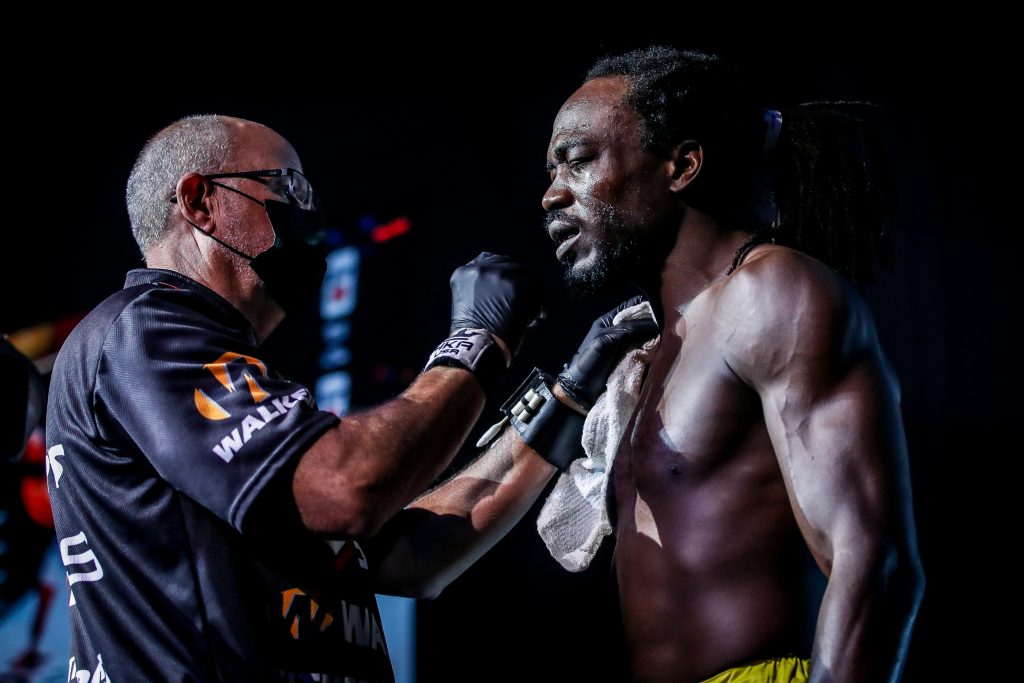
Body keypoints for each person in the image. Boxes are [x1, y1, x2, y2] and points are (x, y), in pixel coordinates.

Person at [44, 114, 653, 682]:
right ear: (200, 202)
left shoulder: (229, 382)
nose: (309, 213)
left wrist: (570, 395)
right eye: (287, 188)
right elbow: (349, 487)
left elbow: (413, 555)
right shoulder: (146, 329)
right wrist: (475, 340)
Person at [538, 47, 925, 682]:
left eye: (578, 161)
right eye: (551, 171)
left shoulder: (771, 294)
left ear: (682, 166)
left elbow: (871, 561)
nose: (553, 194)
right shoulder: (645, 360)